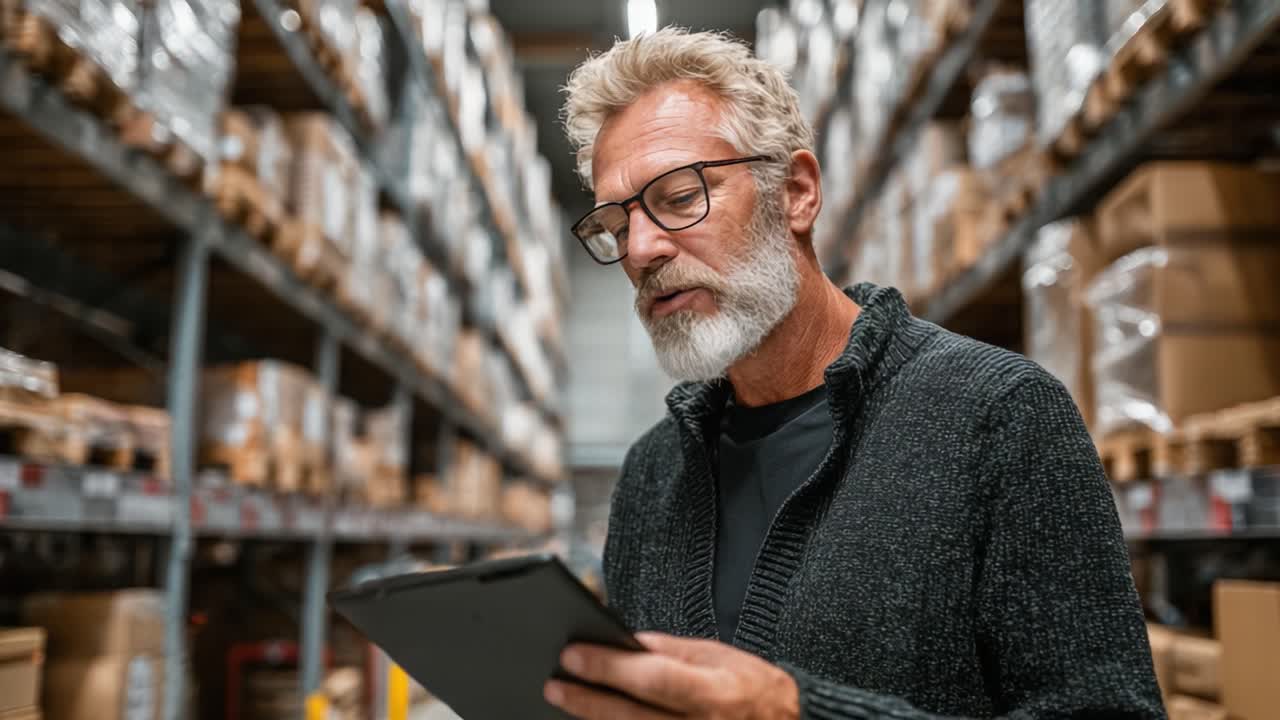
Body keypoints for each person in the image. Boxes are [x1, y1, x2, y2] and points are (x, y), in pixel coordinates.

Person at [546, 27, 1164, 720]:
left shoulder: (1000, 417)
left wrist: (794, 712)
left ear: (797, 193)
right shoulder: (652, 475)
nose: (641, 248)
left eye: (681, 196)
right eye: (614, 223)